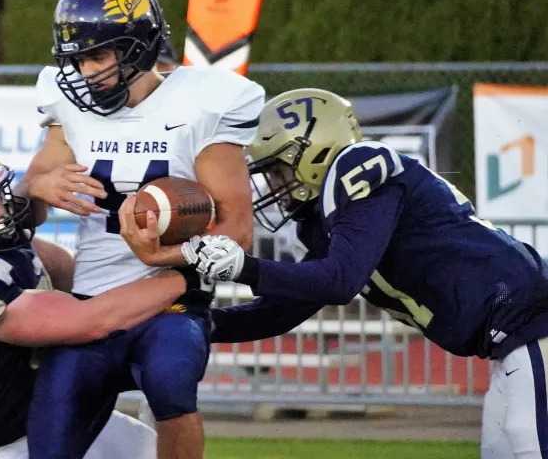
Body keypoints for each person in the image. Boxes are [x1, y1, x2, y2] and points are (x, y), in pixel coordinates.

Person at [180, 87, 548, 459]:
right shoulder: (327, 215)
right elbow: (286, 308)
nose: (275, 185)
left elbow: (340, 281)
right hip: (515, 338)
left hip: (533, 320)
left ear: (313, 151)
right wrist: (199, 324)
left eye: (279, 170)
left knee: (531, 445)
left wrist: (244, 268)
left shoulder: (359, 164)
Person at [18, 0, 264, 458]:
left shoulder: (202, 105)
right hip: (91, 301)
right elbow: (30, 201)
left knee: (171, 379)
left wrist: (166, 256)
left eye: (96, 56)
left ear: (137, 47)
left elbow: (237, 231)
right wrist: (39, 185)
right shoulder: (70, 107)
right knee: (51, 429)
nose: (85, 72)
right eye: (77, 59)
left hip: (171, 299)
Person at [0, 138, 205, 458]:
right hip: (6, 444)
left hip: (68, 410)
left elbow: (58, 265)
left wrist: (35, 186)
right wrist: (190, 273)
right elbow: (89, 321)